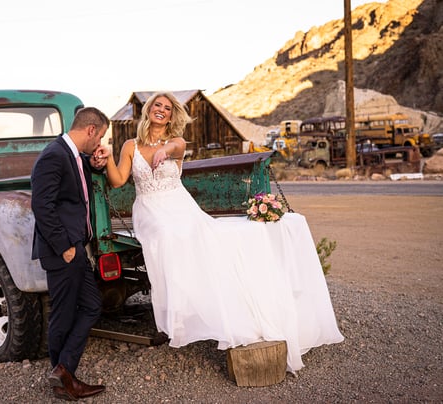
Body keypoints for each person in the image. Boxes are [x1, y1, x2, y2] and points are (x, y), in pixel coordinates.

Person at [103, 92, 344, 373]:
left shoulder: (176, 143)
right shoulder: (130, 146)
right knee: (168, 235)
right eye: (157, 105)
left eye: (167, 108)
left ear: (171, 116)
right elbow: (119, 180)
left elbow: (177, 148)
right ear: (148, 110)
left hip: (179, 204)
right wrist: (107, 156)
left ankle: (208, 305)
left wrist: (163, 151)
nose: (161, 110)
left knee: (204, 237)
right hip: (150, 209)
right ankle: (178, 314)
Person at [31, 107, 111, 401]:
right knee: (63, 315)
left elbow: (78, 183)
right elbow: (42, 206)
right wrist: (64, 246)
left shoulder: (74, 156)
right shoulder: (53, 156)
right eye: (100, 135)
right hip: (63, 250)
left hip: (75, 248)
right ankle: (63, 378)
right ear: (90, 130)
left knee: (91, 305)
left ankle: (63, 372)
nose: (99, 140)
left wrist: (97, 163)